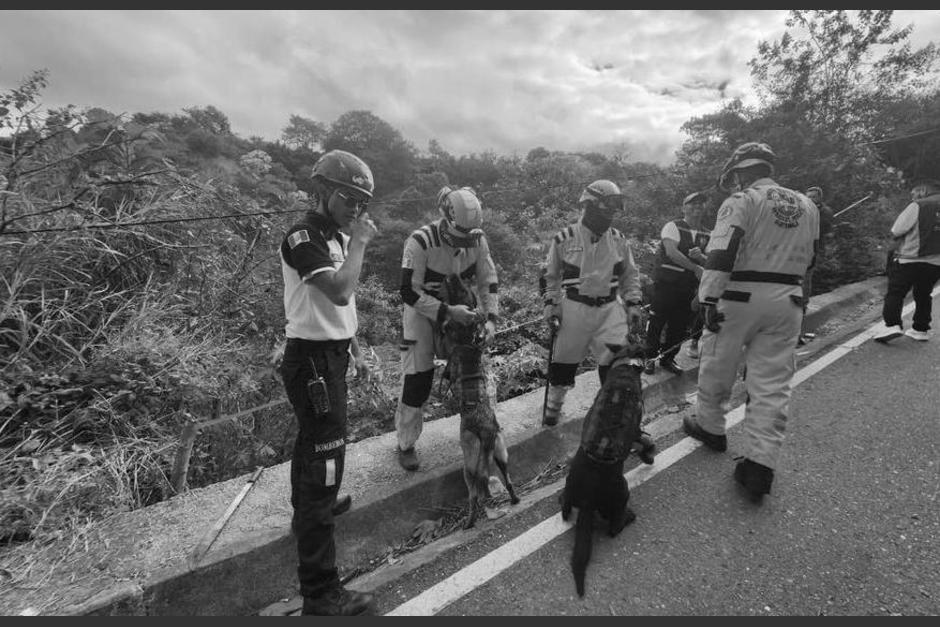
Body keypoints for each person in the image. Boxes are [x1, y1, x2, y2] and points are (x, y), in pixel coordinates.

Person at [683, 142, 819, 503]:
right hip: (788, 299)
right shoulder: (808, 205)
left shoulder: (742, 201)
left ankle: (711, 427)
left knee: (718, 364)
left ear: (741, 172)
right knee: (773, 382)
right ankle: (760, 464)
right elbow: (811, 260)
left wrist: (708, 298)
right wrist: (800, 300)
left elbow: (721, 254)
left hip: (740, 296)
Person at [278, 149, 378, 615]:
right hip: (312, 361)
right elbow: (338, 291)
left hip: (332, 356)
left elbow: (343, 308)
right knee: (325, 462)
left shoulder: (333, 236)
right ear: (323, 191)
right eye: (348, 197)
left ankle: (310, 509)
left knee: (314, 447)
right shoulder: (305, 237)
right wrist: (359, 243)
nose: (355, 208)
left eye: (361, 202)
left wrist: (353, 348)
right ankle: (321, 594)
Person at [394, 186, 499, 471]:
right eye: (458, 237)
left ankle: (478, 430)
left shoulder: (477, 240)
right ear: (445, 219)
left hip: (462, 309)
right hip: (423, 313)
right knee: (418, 379)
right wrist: (446, 312)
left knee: (471, 370)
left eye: (469, 237)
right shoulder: (420, 241)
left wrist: (491, 319)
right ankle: (406, 443)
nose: (463, 243)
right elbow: (408, 291)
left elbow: (488, 280)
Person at [538, 179, 645, 426]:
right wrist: (551, 304)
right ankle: (553, 407)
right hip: (575, 308)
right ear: (589, 206)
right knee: (562, 363)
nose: (610, 216)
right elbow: (550, 276)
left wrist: (634, 302)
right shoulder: (564, 238)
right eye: (606, 209)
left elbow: (630, 274)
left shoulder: (618, 239)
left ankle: (611, 409)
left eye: (613, 211)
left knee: (618, 363)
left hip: (610, 309)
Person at [644, 191, 710, 375]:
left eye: (701, 204)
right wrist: (696, 268)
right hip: (666, 284)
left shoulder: (708, 233)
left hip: (688, 288)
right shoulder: (673, 226)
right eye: (693, 203)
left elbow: (712, 262)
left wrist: (702, 258)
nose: (697, 206)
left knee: (679, 326)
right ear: (684, 207)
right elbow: (672, 252)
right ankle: (649, 357)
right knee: (657, 321)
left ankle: (668, 358)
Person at [873, 177, 940, 343]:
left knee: (896, 292)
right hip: (936, 262)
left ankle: (892, 325)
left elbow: (897, 229)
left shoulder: (919, 205)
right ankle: (920, 329)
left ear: (923, 190)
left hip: (910, 258)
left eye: (914, 192)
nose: (913, 196)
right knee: (924, 294)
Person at [798, 186, 835, 345]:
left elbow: (825, 228)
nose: (811, 199)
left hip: (811, 253)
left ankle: (798, 332)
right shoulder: (800, 210)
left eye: (814, 197)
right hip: (795, 253)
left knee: (804, 290)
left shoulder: (825, 212)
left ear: (820, 198)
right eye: (809, 196)